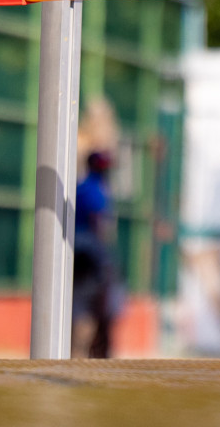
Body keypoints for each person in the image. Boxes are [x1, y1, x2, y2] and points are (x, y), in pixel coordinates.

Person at [73, 150, 120, 358]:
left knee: (76, 304)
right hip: (89, 252)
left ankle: (76, 349)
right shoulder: (97, 190)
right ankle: (95, 350)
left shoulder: (79, 187)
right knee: (102, 301)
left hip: (73, 250)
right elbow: (98, 224)